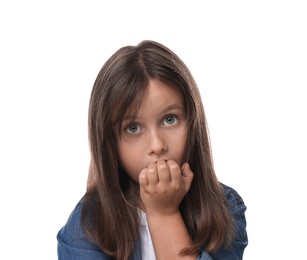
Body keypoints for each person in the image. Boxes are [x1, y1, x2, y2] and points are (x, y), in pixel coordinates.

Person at [57, 40, 248, 260]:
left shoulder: (224, 208)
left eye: (169, 119)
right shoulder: (87, 224)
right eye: (133, 128)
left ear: (193, 123)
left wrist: (164, 213)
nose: (157, 145)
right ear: (109, 143)